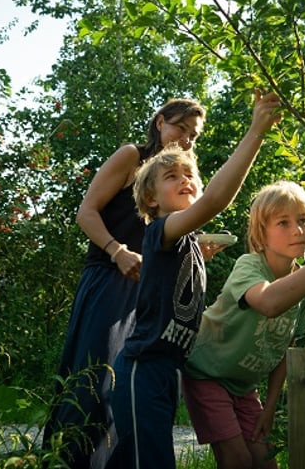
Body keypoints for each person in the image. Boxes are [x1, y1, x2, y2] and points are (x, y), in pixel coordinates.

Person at [108, 90, 283, 469]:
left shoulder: (188, 243)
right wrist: (256, 132)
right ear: (152, 200)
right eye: (171, 176)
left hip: (167, 371)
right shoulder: (161, 230)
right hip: (143, 367)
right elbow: (216, 200)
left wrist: (195, 256)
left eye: (189, 174)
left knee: (147, 458)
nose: (184, 179)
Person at [42, 98, 210, 469]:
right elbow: (85, 212)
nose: (185, 140)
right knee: (92, 380)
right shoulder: (131, 157)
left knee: (126, 390)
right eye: (180, 129)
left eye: (193, 136)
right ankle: (65, 462)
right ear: (160, 122)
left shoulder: (176, 182)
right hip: (107, 278)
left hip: (144, 293)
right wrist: (116, 250)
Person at [181, 181, 305, 469]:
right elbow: (268, 303)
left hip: (244, 387)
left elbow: (284, 345)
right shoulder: (248, 266)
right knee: (237, 460)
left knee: (266, 462)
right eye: (283, 222)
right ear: (260, 234)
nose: (297, 230)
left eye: (303, 220)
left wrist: (269, 406)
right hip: (207, 374)